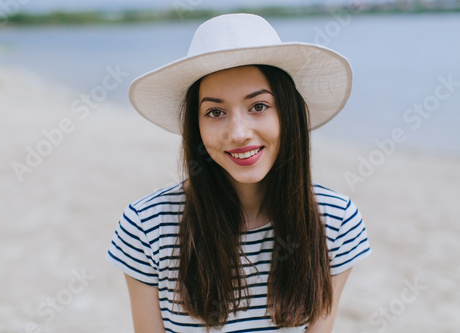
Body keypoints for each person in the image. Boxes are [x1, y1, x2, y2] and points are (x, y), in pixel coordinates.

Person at [106, 13, 371, 333]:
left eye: (258, 106)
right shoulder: (146, 226)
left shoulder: (336, 221)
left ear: (288, 113)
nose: (238, 133)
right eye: (215, 112)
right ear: (196, 126)